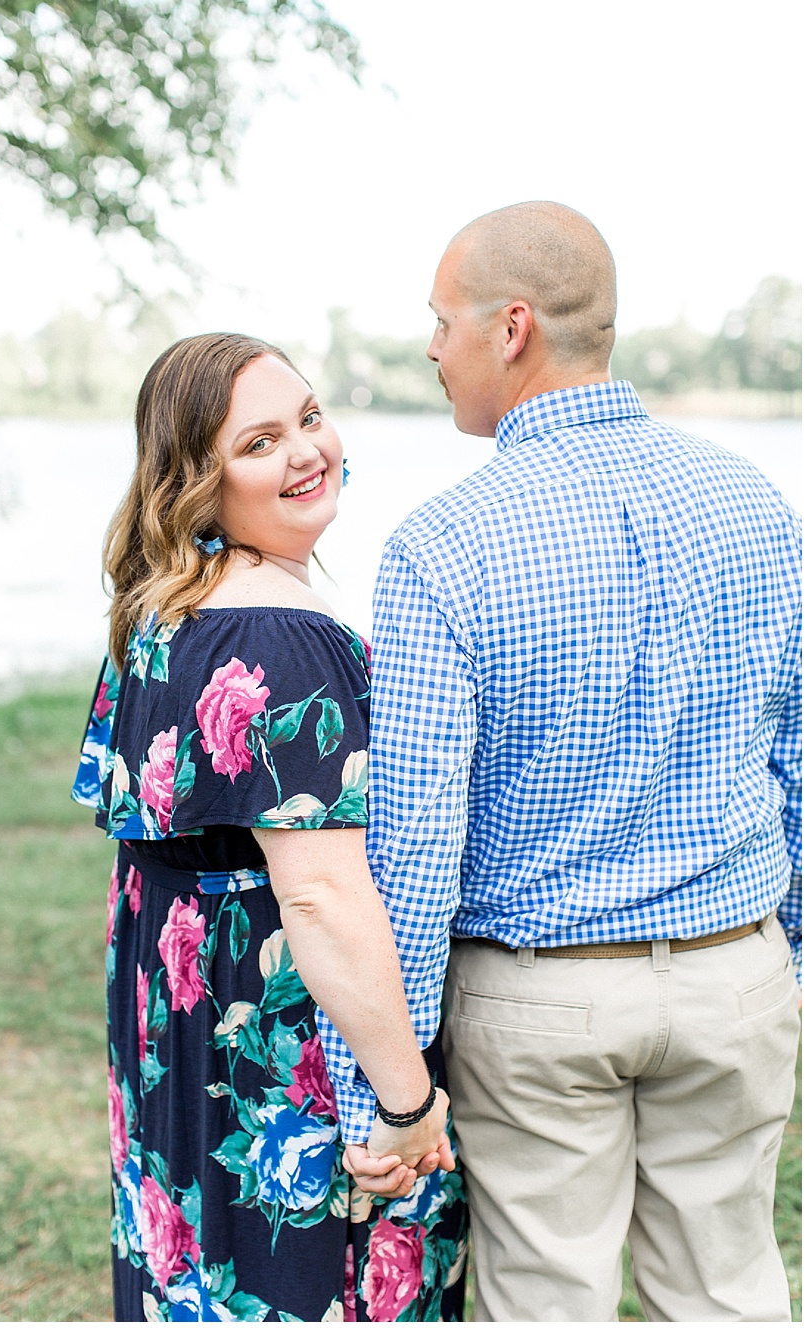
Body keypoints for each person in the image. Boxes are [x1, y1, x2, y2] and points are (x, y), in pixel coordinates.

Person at [338, 201, 801, 1321]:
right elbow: (798, 762)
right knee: (731, 1292)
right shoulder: (760, 507)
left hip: (539, 1000)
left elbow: (414, 840)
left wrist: (382, 1096)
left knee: (548, 1302)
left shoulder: (442, 544)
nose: (431, 349)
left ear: (510, 329)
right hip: (736, 974)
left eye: (441, 323)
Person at [75, 333, 467, 1322]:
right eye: (259, 443)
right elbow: (319, 895)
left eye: (308, 417)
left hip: (181, 1032)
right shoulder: (281, 638)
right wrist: (408, 1100)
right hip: (280, 1053)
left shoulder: (157, 615)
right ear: (197, 485)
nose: (306, 451)